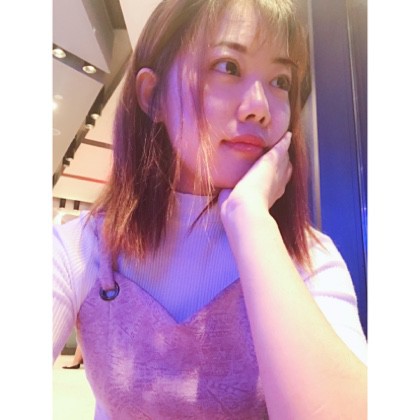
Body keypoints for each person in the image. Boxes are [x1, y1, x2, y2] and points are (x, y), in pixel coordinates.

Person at [53, 0, 367, 418]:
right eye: (228, 67)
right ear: (153, 95)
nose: (260, 107)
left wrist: (249, 217)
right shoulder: (79, 248)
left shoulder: (309, 257)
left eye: (280, 81)